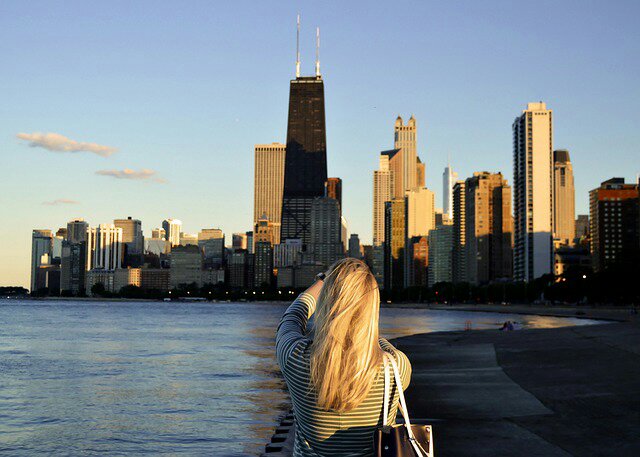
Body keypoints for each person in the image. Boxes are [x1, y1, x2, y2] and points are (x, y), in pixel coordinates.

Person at [276, 258, 412, 457]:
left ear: (326, 302)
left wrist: (323, 280)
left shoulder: (294, 357)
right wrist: (365, 331)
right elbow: (382, 346)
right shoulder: (396, 368)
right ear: (372, 307)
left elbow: (293, 316)